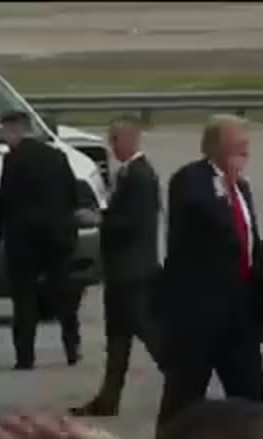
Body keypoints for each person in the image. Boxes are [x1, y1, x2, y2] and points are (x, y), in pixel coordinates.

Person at [157, 115, 263, 429]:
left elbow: (249, 241)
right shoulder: (191, 180)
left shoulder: (241, 189)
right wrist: (225, 186)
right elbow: (202, 211)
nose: (245, 154)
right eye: (238, 146)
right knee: (182, 403)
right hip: (199, 321)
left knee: (252, 404)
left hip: (240, 319)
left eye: (246, 147)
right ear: (215, 147)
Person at [73, 115, 162, 417]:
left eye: (116, 140)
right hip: (122, 272)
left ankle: (184, 386)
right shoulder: (128, 174)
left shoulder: (140, 176)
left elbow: (134, 223)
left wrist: (101, 220)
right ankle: (107, 399)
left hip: (134, 273)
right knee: (118, 342)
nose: (112, 147)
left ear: (131, 139)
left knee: (151, 336)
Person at [0, 110, 81, 369]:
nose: (4, 137)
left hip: (24, 241)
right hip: (57, 237)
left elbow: (4, 199)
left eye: (5, 131)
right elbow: (71, 195)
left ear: (15, 130)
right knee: (63, 292)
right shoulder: (57, 156)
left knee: (24, 298)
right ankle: (72, 346)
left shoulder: (13, 160)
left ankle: (25, 355)